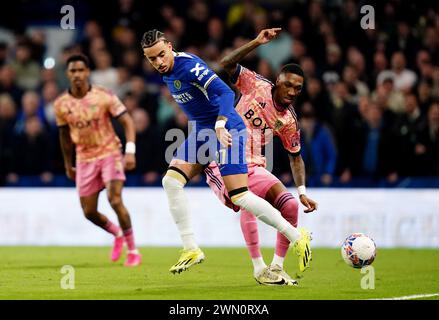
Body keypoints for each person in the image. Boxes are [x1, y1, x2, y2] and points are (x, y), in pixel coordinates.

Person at [141, 29, 312, 281]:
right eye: (152, 59)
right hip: (202, 130)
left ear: (170, 45)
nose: (158, 62)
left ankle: (297, 236)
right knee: (170, 181)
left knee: (241, 196)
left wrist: (221, 124)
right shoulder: (168, 71)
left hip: (228, 127)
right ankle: (191, 248)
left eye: (161, 55)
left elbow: (225, 93)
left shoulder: (188, 66)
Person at [205, 28, 318, 285]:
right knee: (248, 198)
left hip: (255, 165)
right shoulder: (255, 84)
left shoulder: (288, 121)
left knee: (289, 205)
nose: (291, 91)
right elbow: (226, 64)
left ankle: (275, 268)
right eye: (288, 84)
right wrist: (256, 41)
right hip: (226, 158)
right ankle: (260, 267)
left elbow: (296, 156)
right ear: (278, 81)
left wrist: (302, 191)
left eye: (297, 88)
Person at [54, 54, 141, 267]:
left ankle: (133, 250)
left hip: (110, 152)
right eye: (73, 71)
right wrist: (68, 164)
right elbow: (64, 136)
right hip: (84, 158)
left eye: (81, 70)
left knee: (115, 199)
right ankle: (117, 233)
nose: (77, 75)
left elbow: (127, 121)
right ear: (67, 74)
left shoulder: (104, 96)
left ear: (88, 72)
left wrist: (130, 151)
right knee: (89, 212)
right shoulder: (61, 105)